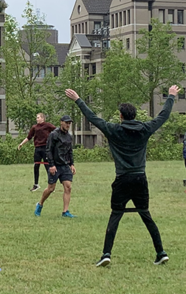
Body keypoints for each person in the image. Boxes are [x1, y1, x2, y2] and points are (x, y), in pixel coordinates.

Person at [68, 86, 177, 266]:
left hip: (122, 179)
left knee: (116, 215)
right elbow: (163, 116)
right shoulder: (145, 129)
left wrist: (78, 100)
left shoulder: (114, 130)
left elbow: (93, 118)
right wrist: (171, 96)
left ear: (121, 116)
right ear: (134, 115)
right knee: (145, 214)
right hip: (140, 178)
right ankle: (161, 252)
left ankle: (106, 254)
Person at [34, 115, 76, 218]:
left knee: (68, 187)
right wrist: (51, 165)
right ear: (61, 122)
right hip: (55, 165)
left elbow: (70, 151)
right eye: (66, 123)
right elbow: (48, 150)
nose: (68, 125)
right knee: (51, 188)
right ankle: (40, 204)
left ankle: (65, 212)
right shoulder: (53, 135)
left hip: (65, 165)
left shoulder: (69, 136)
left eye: (69, 123)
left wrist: (72, 164)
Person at [17, 113, 56, 191]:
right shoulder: (34, 127)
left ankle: (51, 185)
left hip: (46, 148)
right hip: (37, 148)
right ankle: (36, 185)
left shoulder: (47, 125)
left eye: (38, 117)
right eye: (37, 117)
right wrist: (21, 144)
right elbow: (29, 137)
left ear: (42, 118)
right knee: (36, 166)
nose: (37, 119)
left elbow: (56, 131)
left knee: (47, 166)